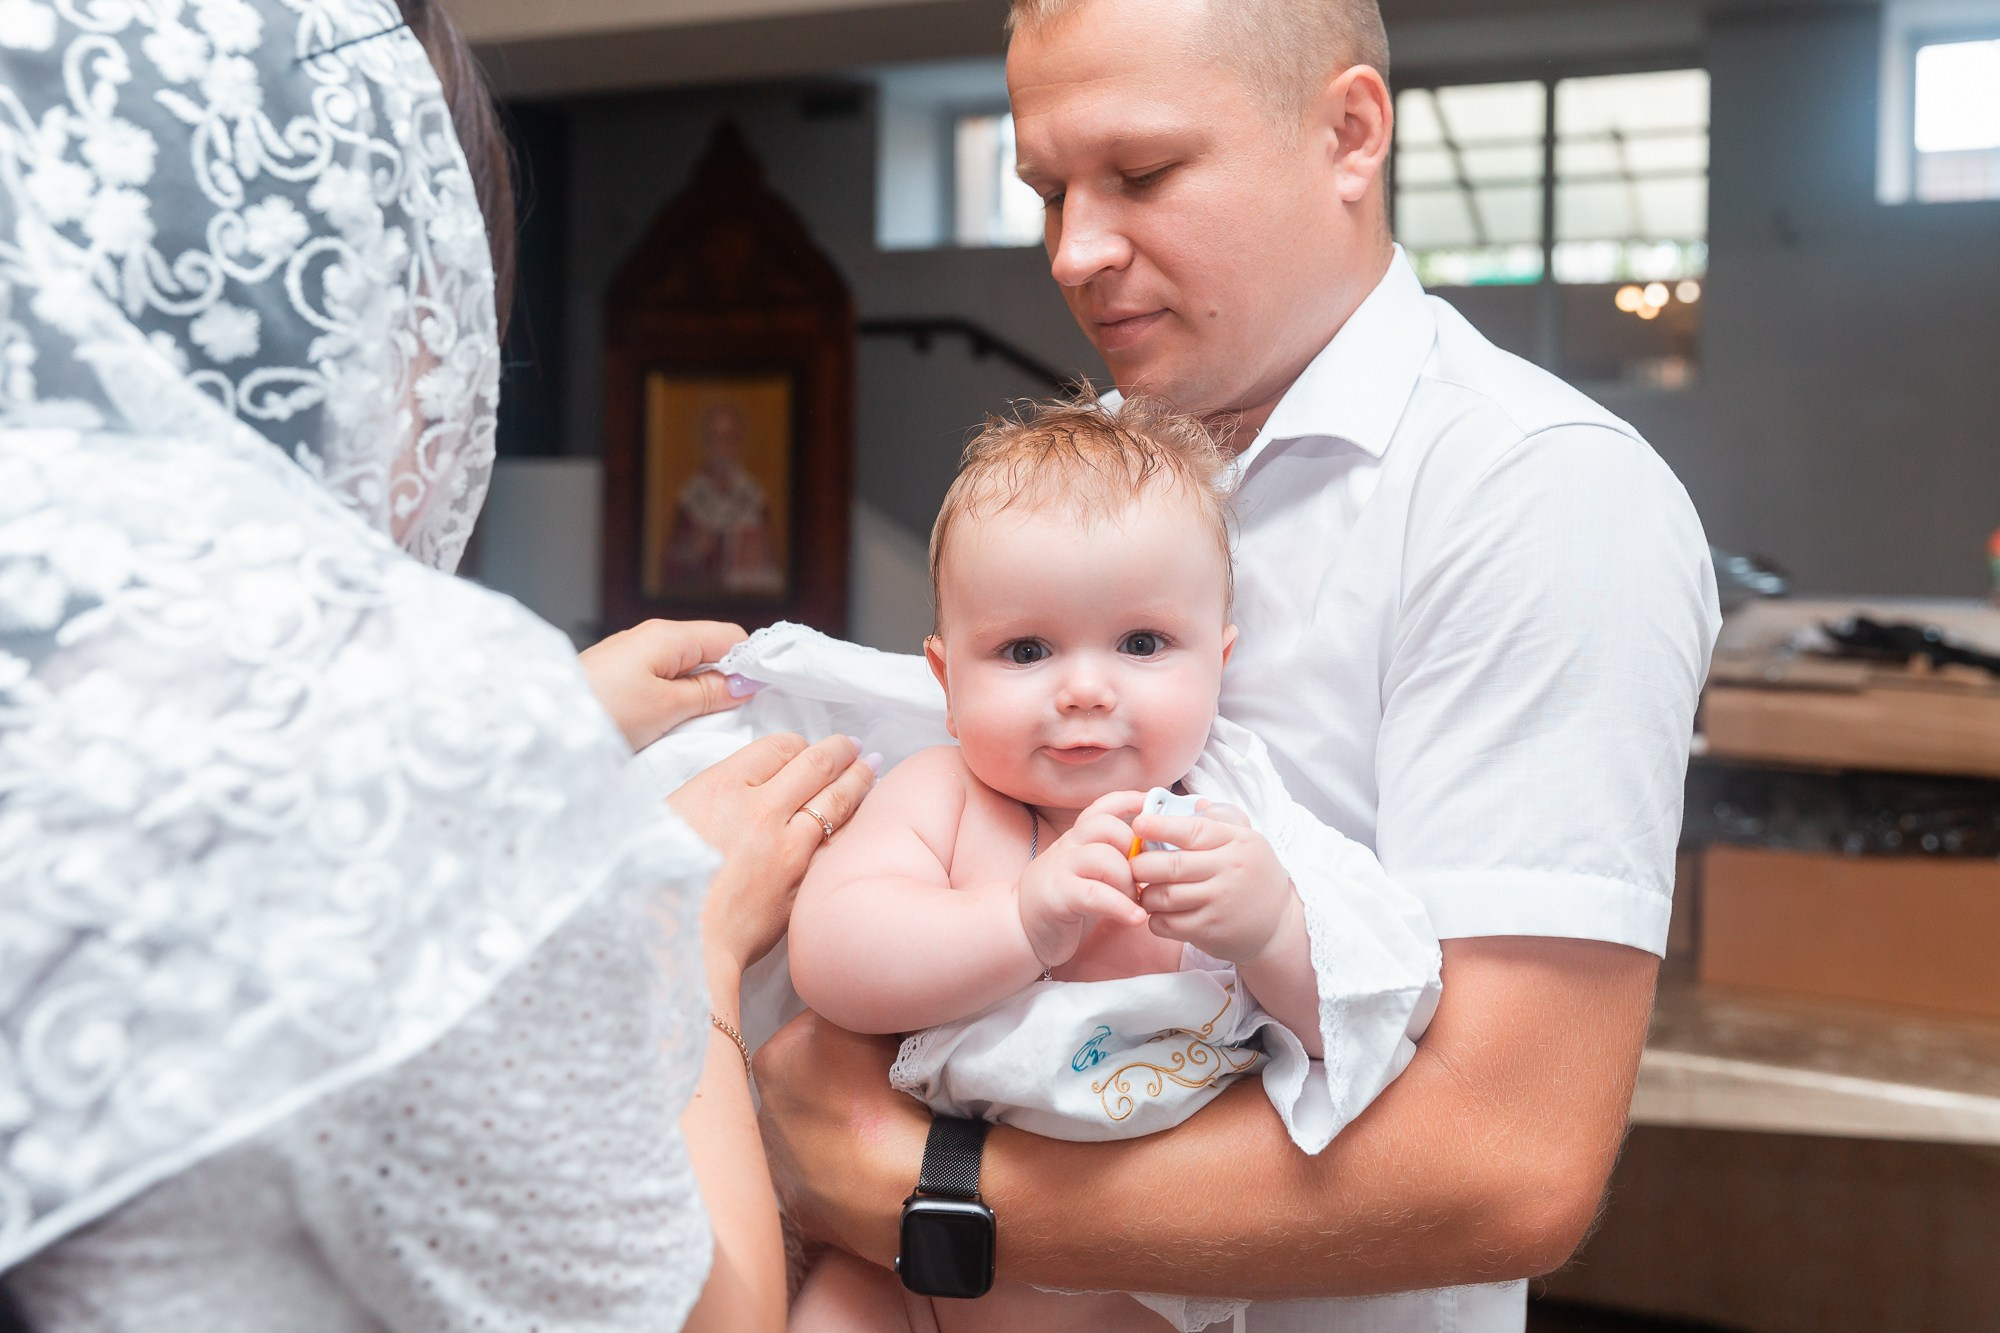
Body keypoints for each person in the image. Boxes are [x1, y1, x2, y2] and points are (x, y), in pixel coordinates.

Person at [753, 0, 1721, 1329]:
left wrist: (925, 1189)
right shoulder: (1087, 474)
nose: (1074, 251)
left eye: (1142, 173)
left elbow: (1508, 1165)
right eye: (1047, 190)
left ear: (1349, 133)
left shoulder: (1531, 492)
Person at [0, 2, 870, 1331]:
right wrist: (682, 928)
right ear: (406, 317)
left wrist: (547, 736)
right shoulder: (421, 731)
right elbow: (712, 1321)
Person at [786, 398, 1361, 1333]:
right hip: (910, 1280)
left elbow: (1370, 1018)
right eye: (1025, 649)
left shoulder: (1244, 829)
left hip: (1132, 1289)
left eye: (1142, 643)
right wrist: (1019, 918)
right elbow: (832, 955)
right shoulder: (948, 799)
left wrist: (1274, 932)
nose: (1086, 688)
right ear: (947, 681)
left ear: (1219, 662)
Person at [662, 403, 785, 597]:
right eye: (715, 438)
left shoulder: (753, 497)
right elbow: (670, 570)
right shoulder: (690, 499)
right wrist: (693, 552)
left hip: (747, 606)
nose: (721, 447)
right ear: (705, 441)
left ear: (739, 441)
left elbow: (772, 570)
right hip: (698, 604)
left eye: (728, 438)